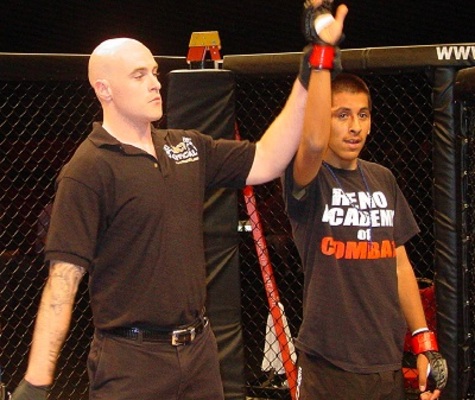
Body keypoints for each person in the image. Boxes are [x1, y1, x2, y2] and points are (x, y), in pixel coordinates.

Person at [11, 4, 347, 398]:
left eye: (154, 72)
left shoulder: (185, 146)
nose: (155, 83)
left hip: (199, 353)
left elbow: (268, 159)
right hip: (132, 363)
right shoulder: (88, 170)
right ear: (104, 90)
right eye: (139, 75)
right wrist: (36, 382)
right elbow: (62, 281)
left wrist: (311, 69)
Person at [283, 69, 448, 399]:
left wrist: (423, 341)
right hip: (328, 363)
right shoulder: (308, 180)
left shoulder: (383, 179)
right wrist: (321, 60)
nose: (355, 126)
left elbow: (399, 263)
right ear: (322, 120)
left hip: (385, 361)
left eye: (363, 115)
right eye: (342, 115)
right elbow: (312, 143)